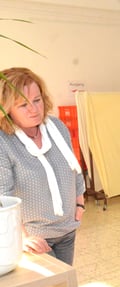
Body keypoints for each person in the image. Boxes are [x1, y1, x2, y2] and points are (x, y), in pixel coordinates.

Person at [0, 67, 85, 265]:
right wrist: (22, 238)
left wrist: (79, 202)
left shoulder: (56, 127)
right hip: (35, 238)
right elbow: (3, 197)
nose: (34, 109)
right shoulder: (4, 141)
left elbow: (74, 167)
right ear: (6, 109)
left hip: (67, 229)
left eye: (37, 100)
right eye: (23, 105)